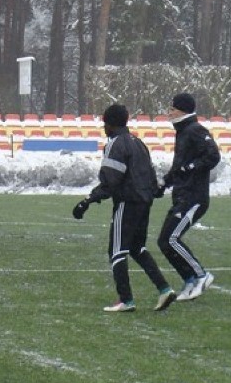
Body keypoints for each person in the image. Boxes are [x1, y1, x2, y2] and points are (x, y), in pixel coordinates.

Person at [73, 103, 177, 313]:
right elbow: (150, 174)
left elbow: (111, 181)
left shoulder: (115, 144)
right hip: (144, 201)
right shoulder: (138, 143)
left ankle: (126, 300)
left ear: (109, 124)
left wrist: (87, 201)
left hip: (127, 202)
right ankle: (164, 289)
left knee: (116, 250)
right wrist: (153, 193)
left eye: (104, 123)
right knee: (137, 248)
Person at [156, 93, 221, 302]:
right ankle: (190, 279)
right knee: (164, 242)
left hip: (194, 197)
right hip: (182, 196)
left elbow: (213, 155)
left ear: (183, 110)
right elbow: (179, 168)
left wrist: (191, 167)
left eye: (173, 108)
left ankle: (202, 275)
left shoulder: (194, 130)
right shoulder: (182, 132)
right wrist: (165, 183)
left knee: (171, 239)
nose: (169, 111)